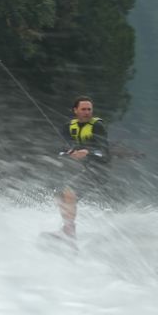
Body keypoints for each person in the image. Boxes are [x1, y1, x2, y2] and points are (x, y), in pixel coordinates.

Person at [56, 96, 110, 241]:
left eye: (89, 109)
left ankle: (69, 231)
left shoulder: (97, 126)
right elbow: (61, 148)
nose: (87, 112)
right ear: (75, 110)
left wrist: (88, 152)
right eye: (83, 109)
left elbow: (103, 150)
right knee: (60, 194)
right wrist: (69, 152)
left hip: (100, 170)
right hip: (86, 169)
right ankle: (67, 228)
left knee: (70, 191)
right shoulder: (68, 127)